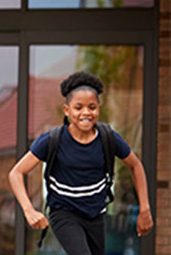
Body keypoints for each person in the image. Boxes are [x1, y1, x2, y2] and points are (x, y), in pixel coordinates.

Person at [8, 71, 152, 255]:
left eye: (92, 107)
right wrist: (29, 211)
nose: (86, 113)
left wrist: (144, 209)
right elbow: (16, 173)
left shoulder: (108, 138)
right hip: (64, 213)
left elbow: (135, 165)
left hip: (96, 214)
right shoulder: (52, 140)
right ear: (67, 110)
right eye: (78, 107)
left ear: (99, 108)